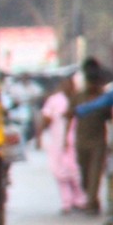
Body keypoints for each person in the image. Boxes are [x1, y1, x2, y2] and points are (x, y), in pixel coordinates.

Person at [38, 76, 85, 213]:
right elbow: (46, 118)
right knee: (59, 172)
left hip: (77, 141)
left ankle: (80, 200)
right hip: (58, 143)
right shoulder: (54, 100)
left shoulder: (79, 99)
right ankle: (66, 202)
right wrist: (39, 136)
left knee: (75, 172)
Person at [72, 58, 113, 215]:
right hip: (81, 141)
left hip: (98, 142)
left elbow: (112, 118)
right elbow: (70, 115)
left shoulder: (105, 98)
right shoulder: (79, 97)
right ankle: (92, 200)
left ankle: (90, 202)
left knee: (95, 173)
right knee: (85, 175)